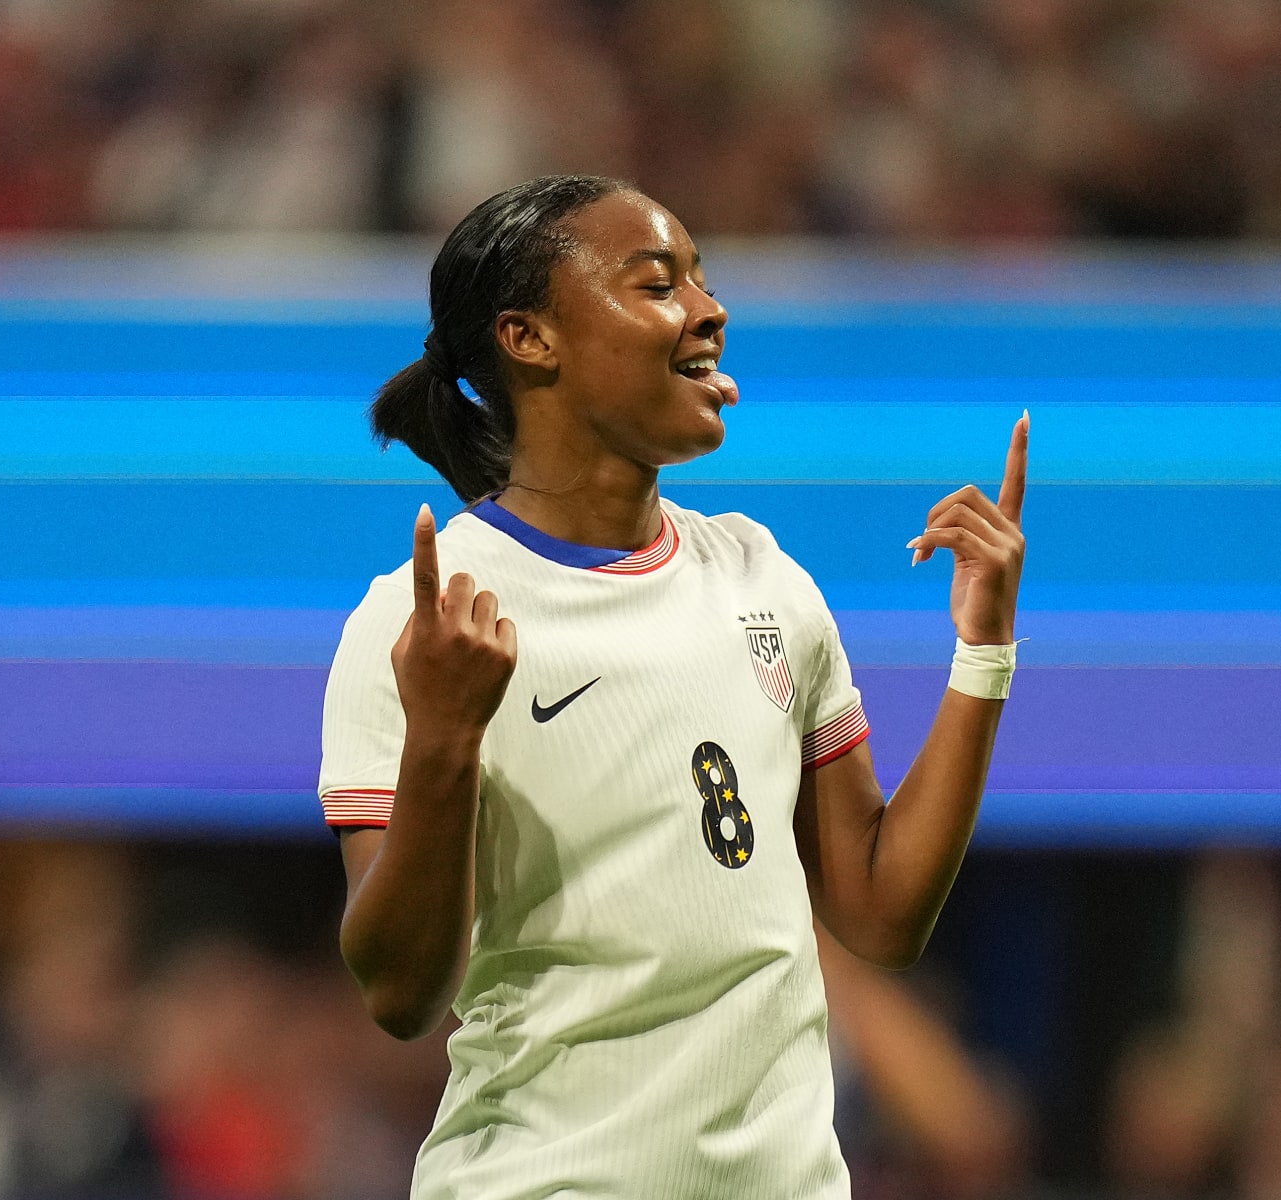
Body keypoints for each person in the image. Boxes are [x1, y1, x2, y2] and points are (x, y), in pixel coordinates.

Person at [319, 174, 1028, 1199]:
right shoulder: (424, 623)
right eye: (657, 283)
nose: (709, 309)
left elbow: (879, 910)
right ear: (530, 337)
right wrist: (443, 739)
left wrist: (983, 650)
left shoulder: (762, 577)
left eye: (701, 279)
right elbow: (397, 991)